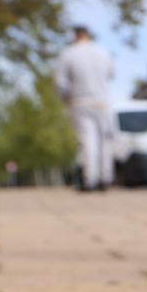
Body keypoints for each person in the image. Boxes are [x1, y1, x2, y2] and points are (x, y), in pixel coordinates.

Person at [54, 25, 114, 192]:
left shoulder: (69, 54)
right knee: (104, 141)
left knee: (88, 141)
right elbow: (111, 74)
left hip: (80, 102)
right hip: (102, 102)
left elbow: (61, 83)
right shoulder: (103, 52)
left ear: (76, 36)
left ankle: (90, 179)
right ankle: (105, 178)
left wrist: (66, 100)